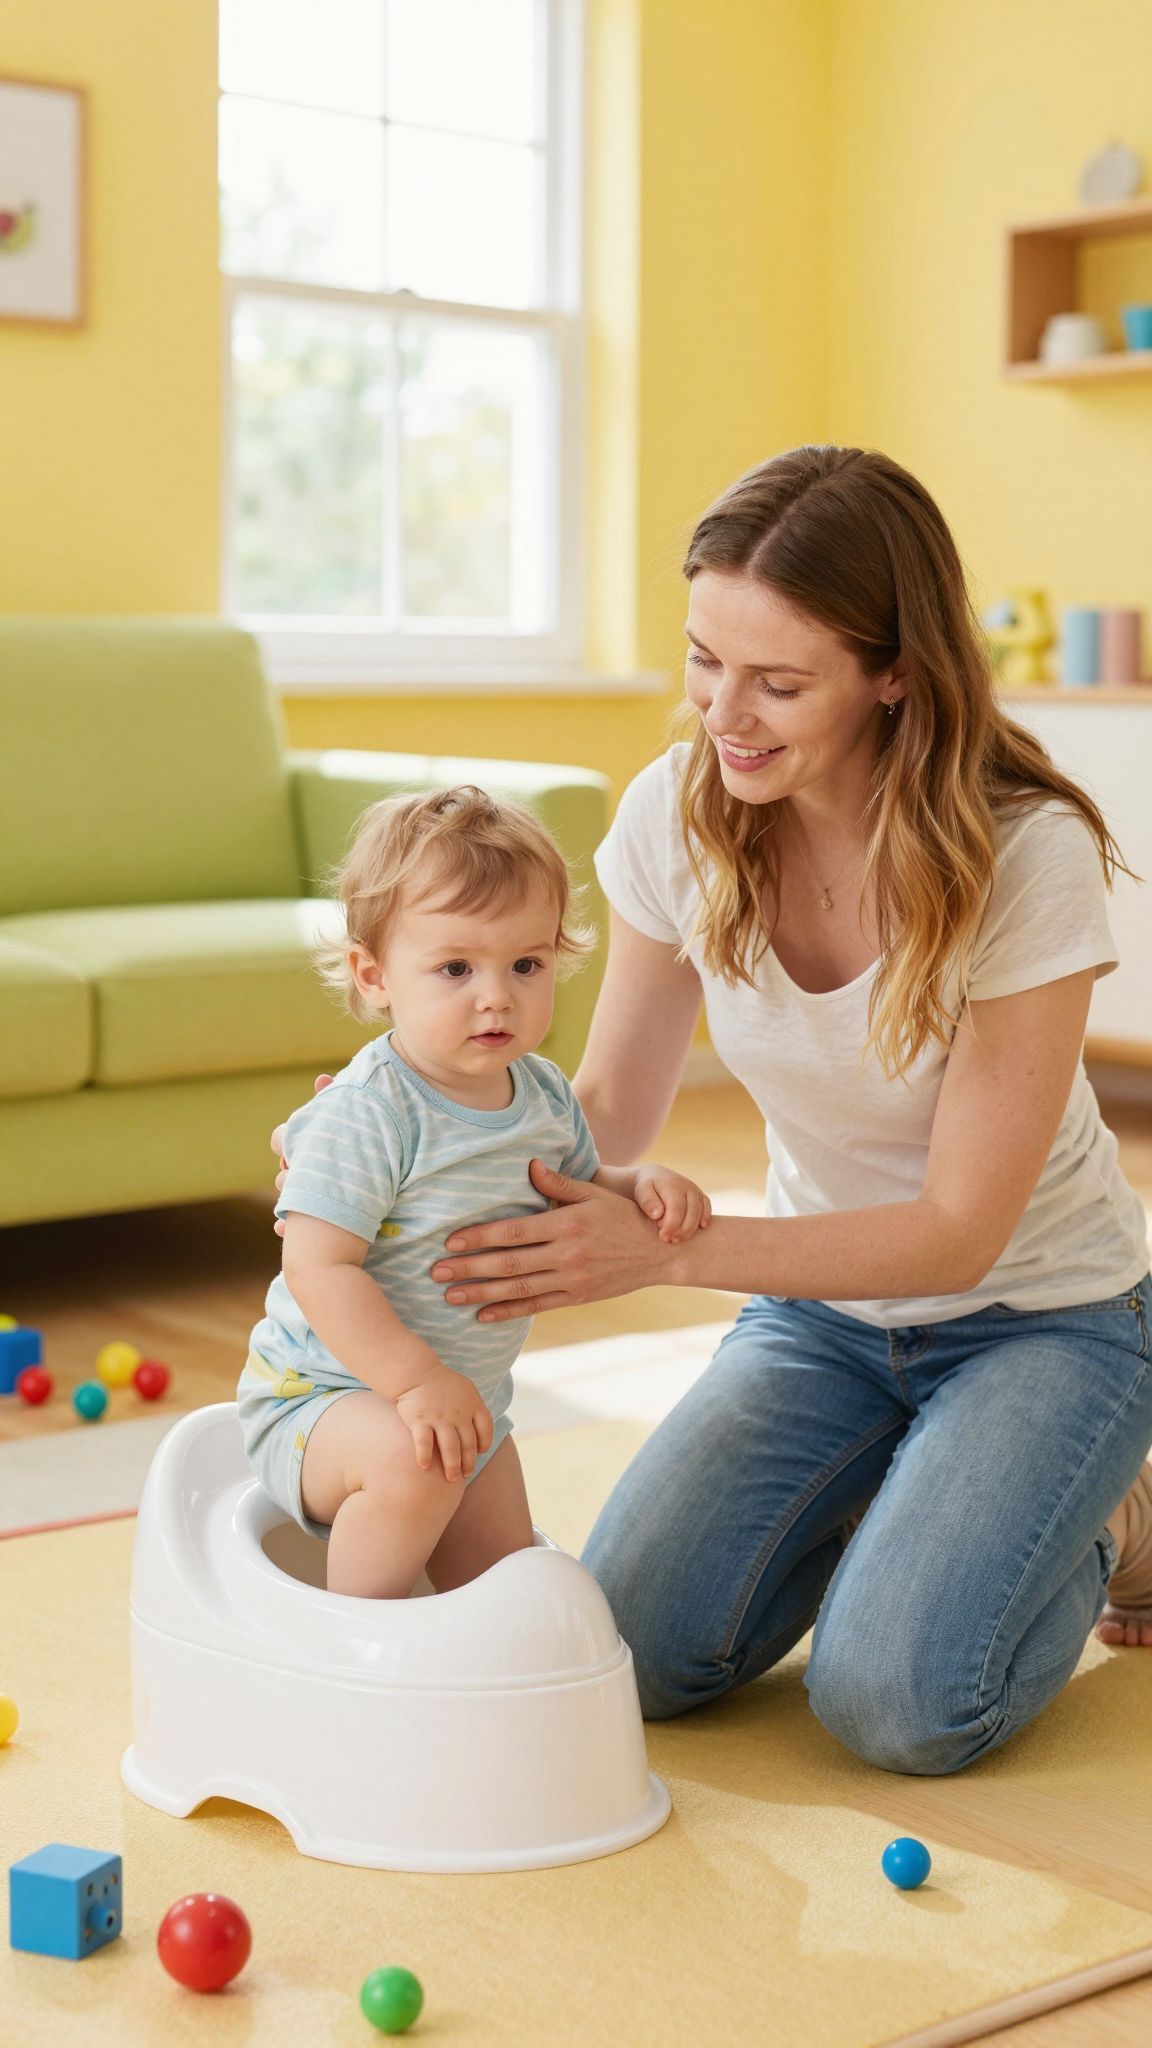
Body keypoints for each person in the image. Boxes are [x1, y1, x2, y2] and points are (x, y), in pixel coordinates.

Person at [277, 446, 1152, 1775]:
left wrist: (673, 1253)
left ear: (893, 671)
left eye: (778, 682)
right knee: (627, 1652)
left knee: (900, 1705)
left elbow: (961, 1232)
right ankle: (923, 1494)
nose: (724, 714)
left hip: (1044, 1319)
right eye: (704, 662)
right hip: (824, 1322)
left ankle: (1112, 1519)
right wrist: (410, 1113)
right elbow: (612, 1109)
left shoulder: (1021, 853)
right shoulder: (680, 815)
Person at [247, 784, 709, 1599]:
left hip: (469, 1409)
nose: (496, 994)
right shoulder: (371, 1110)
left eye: (525, 964)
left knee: (506, 1587)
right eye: (456, 967)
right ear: (374, 974)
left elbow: (576, 1184)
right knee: (413, 1465)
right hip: (324, 1403)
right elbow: (321, 1269)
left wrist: (642, 1186)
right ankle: (354, 1649)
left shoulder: (540, 1094)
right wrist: (416, 1382)